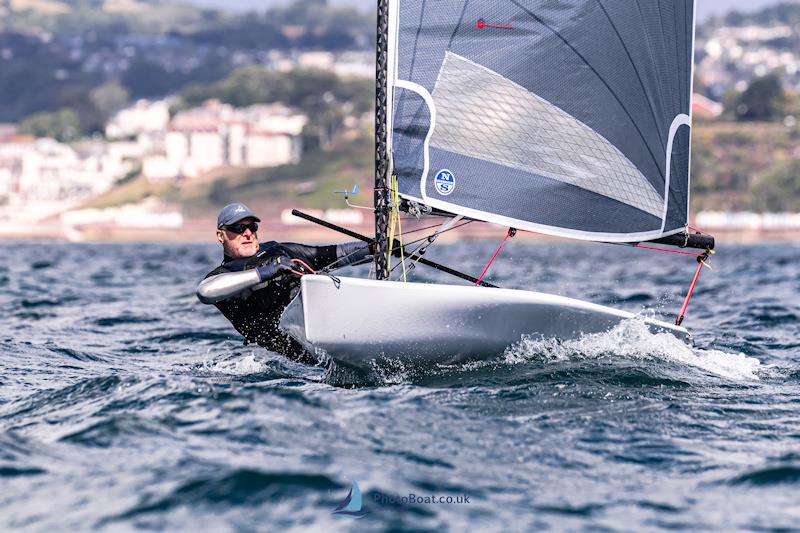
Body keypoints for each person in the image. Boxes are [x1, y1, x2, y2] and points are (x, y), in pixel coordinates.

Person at [197, 203, 373, 364]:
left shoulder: (280, 249)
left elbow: (336, 253)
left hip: (330, 322)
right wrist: (268, 271)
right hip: (303, 353)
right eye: (238, 228)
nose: (248, 233)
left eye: (252, 227)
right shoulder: (223, 275)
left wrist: (377, 248)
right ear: (221, 236)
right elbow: (205, 292)